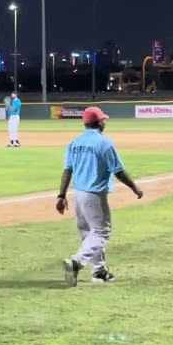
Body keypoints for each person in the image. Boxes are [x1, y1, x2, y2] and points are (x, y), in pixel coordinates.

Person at [56, 106, 143, 286]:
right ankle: (76, 262)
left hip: (78, 194)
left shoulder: (75, 143)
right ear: (99, 122)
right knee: (101, 232)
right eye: (103, 119)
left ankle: (99, 271)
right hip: (94, 194)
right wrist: (134, 187)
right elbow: (118, 171)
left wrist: (61, 195)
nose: (105, 122)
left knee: (89, 234)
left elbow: (67, 170)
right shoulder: (104, 143)